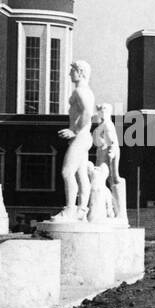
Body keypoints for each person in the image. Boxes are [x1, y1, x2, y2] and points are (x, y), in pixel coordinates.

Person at [52, 60, 95, 221]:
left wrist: (74, 131)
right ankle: (81, 210)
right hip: (84, 137)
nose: (70, 73)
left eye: (73, 71)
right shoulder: (85, 91)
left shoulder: (80, 91)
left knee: (67, 172)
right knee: (81, 174)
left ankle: (70, 209)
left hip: (80, 136)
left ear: (81, 72)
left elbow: (87, 112)